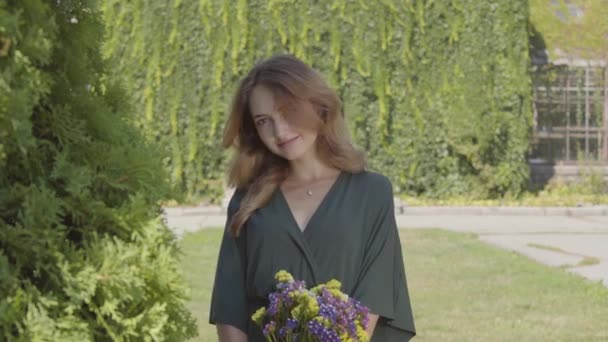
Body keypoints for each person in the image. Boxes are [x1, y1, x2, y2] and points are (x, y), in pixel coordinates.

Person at [209, 54, 416, 341]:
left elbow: (375, 294)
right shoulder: (248, 201)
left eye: (288, 111)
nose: (279, 131)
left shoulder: (372, 192)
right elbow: (229, 302)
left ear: (319, 107)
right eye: (263, 121)